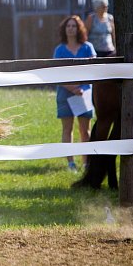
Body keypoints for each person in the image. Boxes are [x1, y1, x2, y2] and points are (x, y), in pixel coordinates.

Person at [53, 15, 96, 172]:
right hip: (65, 94)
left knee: (85, 131)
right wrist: (72, 88)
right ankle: (71, 163)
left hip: (84, 94)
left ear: (79, 29)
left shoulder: (87, 47)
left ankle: (86, 162)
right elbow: (56, 73)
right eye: (68, 26)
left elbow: (93, 71)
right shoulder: (59, 50)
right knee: (67, 129)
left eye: (73, 26)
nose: (70, 28)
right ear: (64, 29)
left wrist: (82, 89)